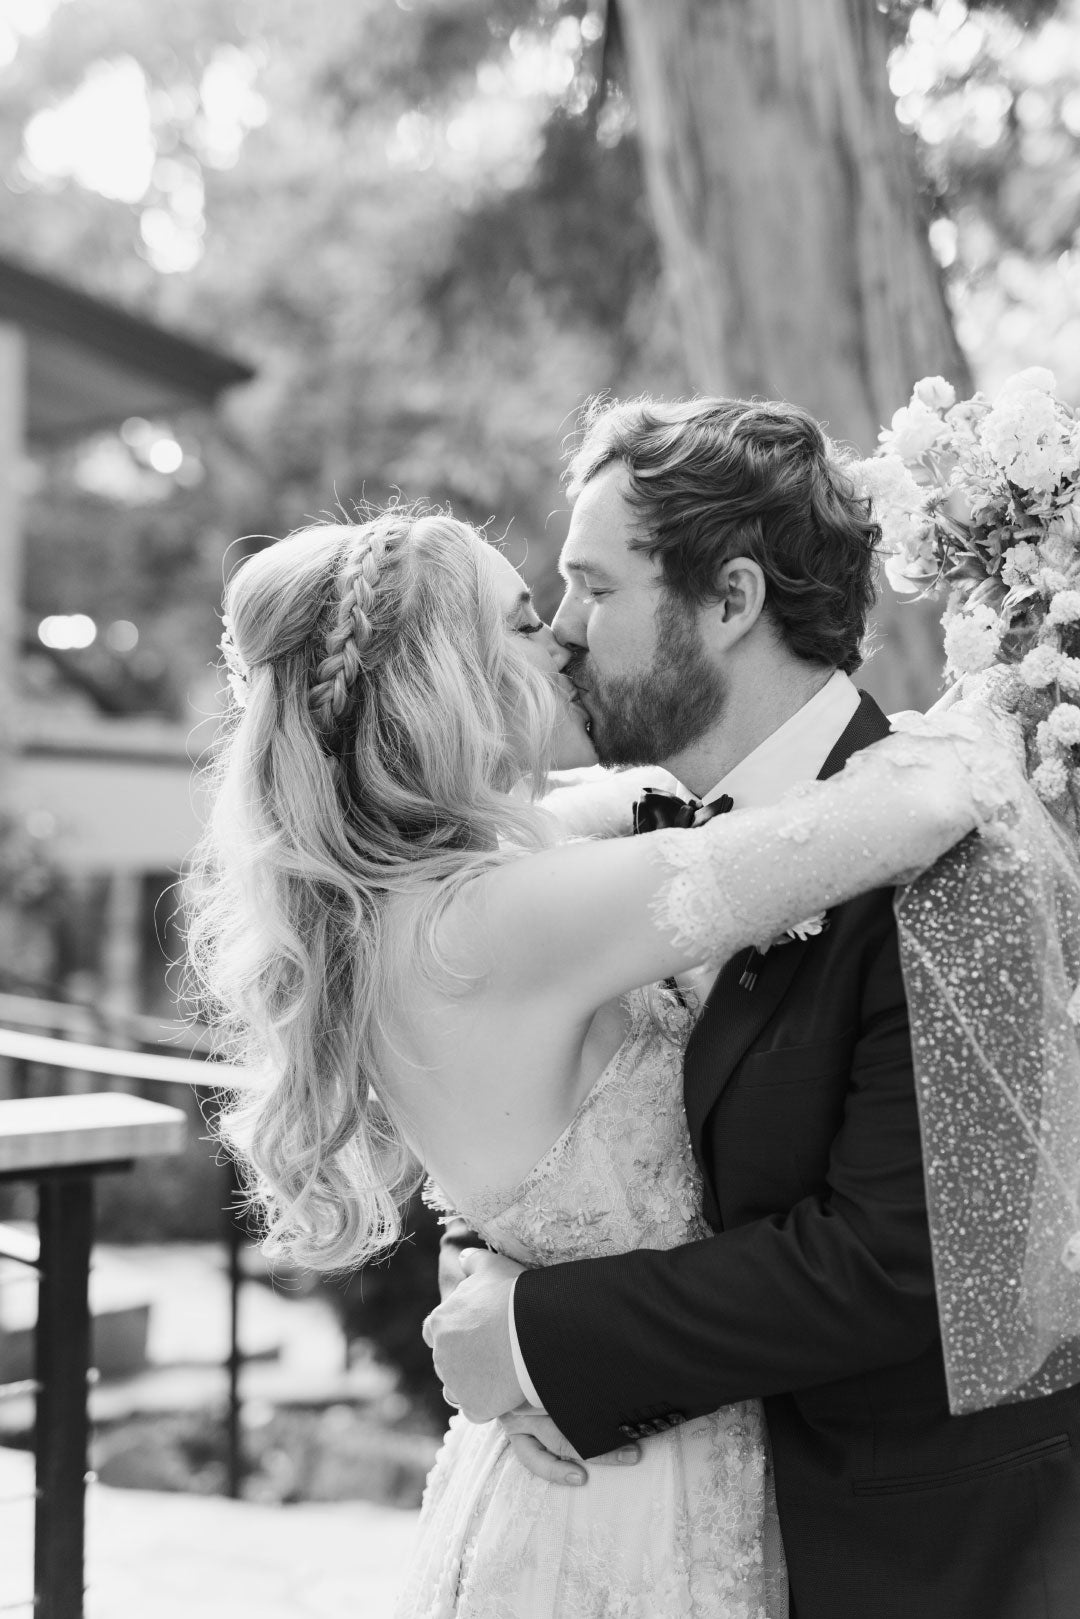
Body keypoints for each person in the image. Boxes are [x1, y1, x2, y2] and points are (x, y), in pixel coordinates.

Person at [421, 398, 1080, 1619]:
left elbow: (904, 1261)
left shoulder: (963, 863)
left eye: (592, 587)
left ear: (729, 600)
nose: (559, 634)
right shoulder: (625, 851)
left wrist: (532, 1333)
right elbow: (582, 1142)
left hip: (898, 1559)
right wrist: (484, 1259)